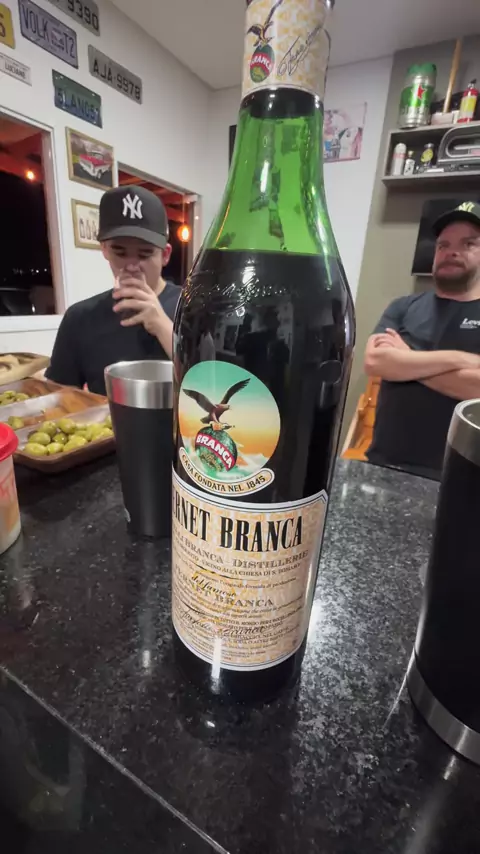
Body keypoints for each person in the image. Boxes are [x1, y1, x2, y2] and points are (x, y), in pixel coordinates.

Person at [364, 201, 480, 478]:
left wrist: (405, 361)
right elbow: (375, 361)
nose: (451, 251)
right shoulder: (403, 307)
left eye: (468, 244)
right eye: (443, 245)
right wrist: (463, 360)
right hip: (384, 465)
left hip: (461, 477)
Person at [46, 186, 180, 395]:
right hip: (105, 417)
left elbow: (212, 384)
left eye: (145, 254)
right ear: (104, 250)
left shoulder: (193, 309)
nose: (132, 266)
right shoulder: (79, 318)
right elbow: (61, 397)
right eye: (120, 252)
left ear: (165, 255)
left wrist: (162, 325)